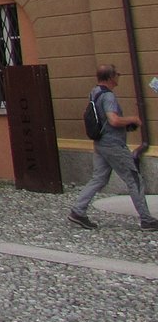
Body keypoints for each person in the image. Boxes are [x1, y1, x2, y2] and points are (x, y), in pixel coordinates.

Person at [68, 64, 158, 230]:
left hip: (100, 143)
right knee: (134, 179)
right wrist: (132, 119)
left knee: (99, 178)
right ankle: (147, 220)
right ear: (110, 77)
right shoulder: (108, 96)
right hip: (113, 145)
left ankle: (78, 211)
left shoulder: (94, 92)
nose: (119, 76)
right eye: (117, 73)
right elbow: (113, 120)